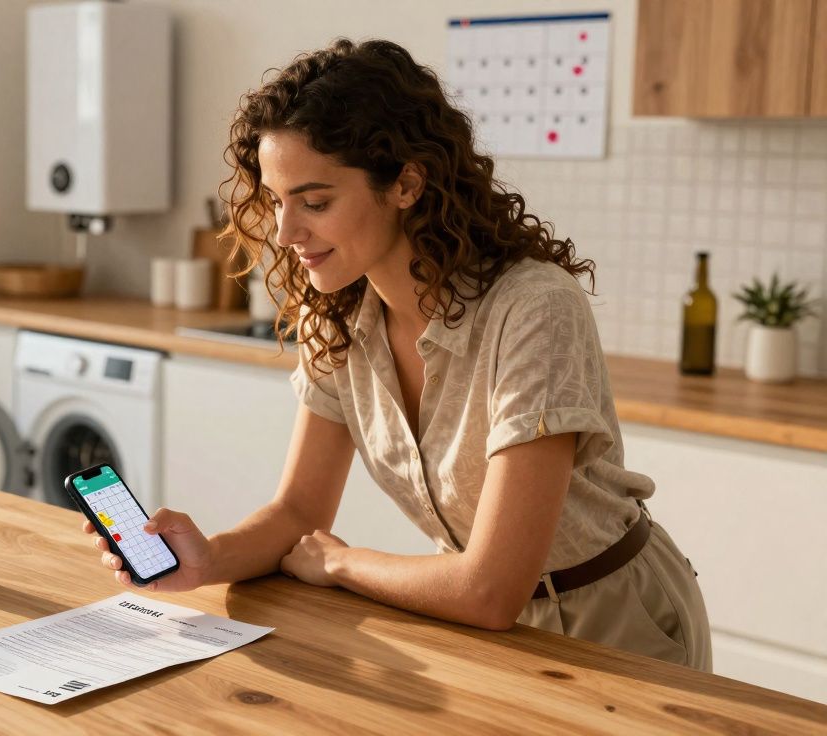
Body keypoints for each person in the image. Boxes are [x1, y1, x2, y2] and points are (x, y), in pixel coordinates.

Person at [82, 39, 711, 671]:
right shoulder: (336, 315)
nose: (285, 232)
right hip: (485, 634)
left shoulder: (533, 308)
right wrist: (205, 561)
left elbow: (489, 589)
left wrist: (340, 561)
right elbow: (299, 510)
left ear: (406, 182)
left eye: (316, 201)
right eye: (277, 201)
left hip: (615, 623)